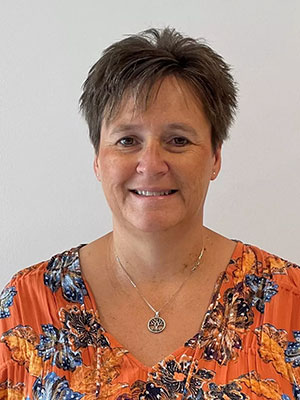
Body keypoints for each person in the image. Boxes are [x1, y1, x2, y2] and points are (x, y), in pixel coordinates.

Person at [0, 27, 299, 400]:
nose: (151, 164)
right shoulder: (28, 303)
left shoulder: (290, 301)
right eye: (128, 140)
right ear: (97, 159)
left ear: (215, 158)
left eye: (178, 140)